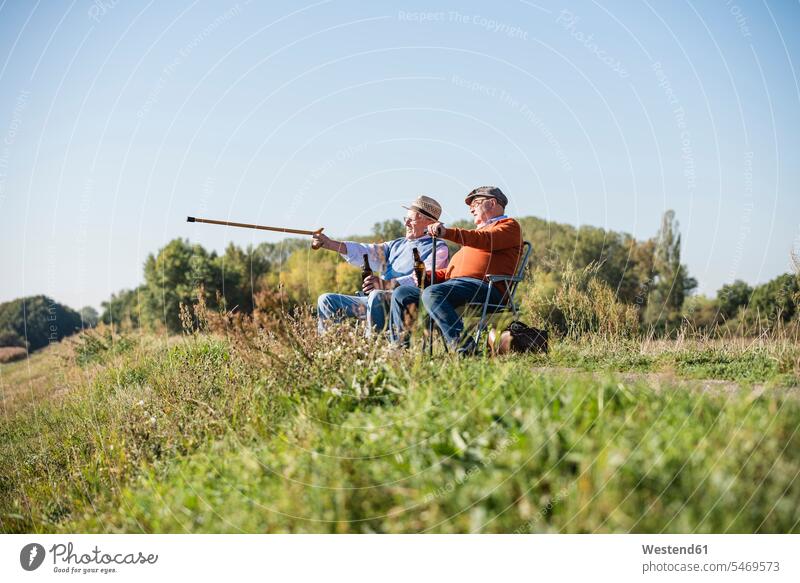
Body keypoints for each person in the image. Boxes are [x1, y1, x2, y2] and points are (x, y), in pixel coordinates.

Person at [389, 186, 523, 354]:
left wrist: (446, 232)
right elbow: (449, 274)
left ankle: (465, 348)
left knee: (432, 293)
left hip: (487, 289)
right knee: (401, 293)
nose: (471, 209)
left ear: (492, 203)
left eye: (475, 203)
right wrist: (427, 275)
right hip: (457, 287)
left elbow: (486, 240)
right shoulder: (474, 237)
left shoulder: (509, 226)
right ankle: (400, 351)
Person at [314, 195, 450, 335]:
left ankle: (373, 348)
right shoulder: (396, 245)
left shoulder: (438, 248)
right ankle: (330, 351)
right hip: (377, 299)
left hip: (408, 303)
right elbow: (365, 251)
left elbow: (422, 278)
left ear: (429, 222)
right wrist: (330, 244)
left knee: (376, 295)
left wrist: (387, 284)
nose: (406, 224)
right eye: (406, 219)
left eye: (411, 220)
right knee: (327, 300)